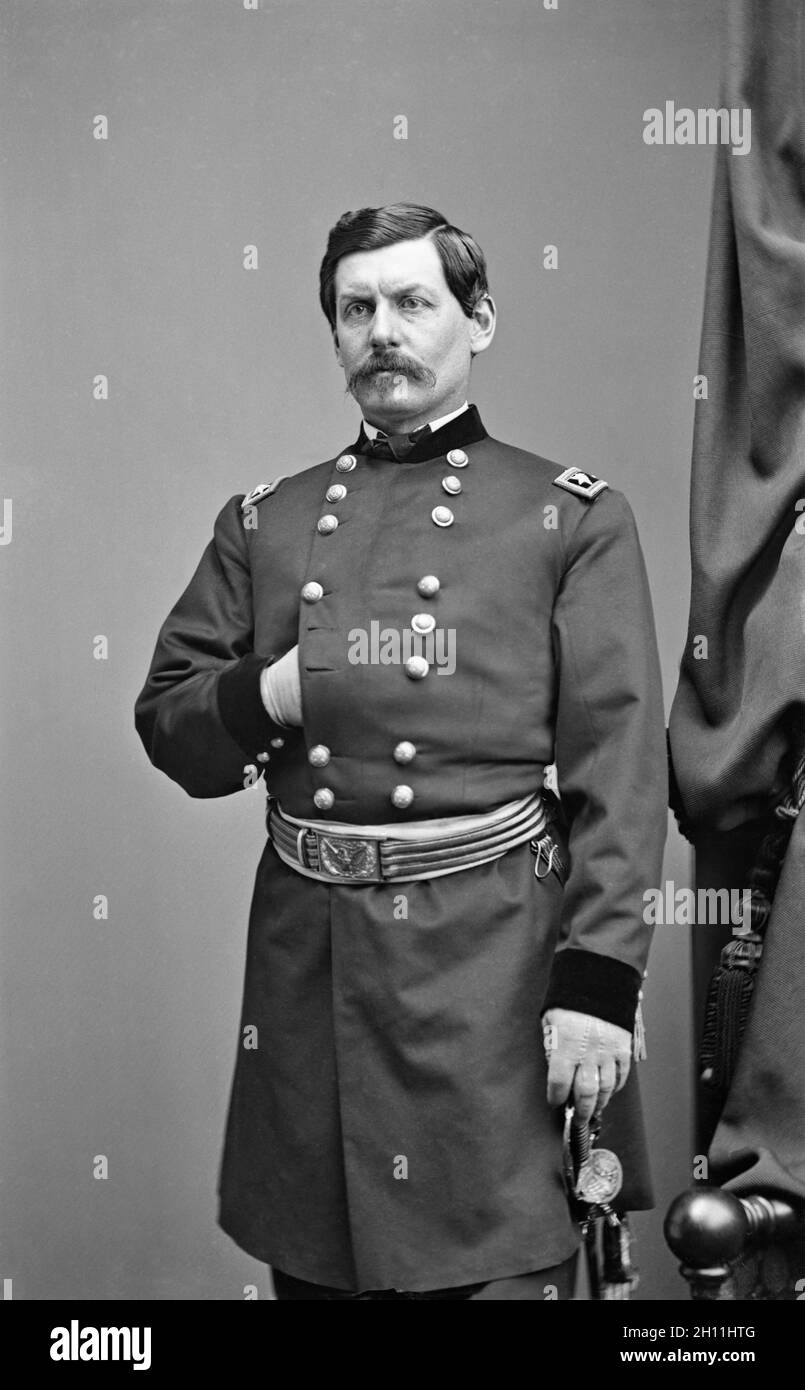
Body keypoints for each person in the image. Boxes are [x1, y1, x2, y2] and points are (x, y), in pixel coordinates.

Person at [135, 203, 667, 1300]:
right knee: (321, 1277)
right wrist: (270, 691)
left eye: (413, 303)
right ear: (333, 334)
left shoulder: (569, 518)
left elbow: (620, 769)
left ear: (477, 320)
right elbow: (171, 724)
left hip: (491, 977)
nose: (383, 329)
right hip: (310, 973)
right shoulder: (267, 521)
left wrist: (598, 988)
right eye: (356, 308)